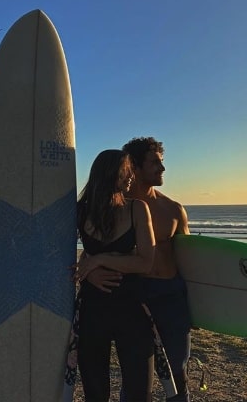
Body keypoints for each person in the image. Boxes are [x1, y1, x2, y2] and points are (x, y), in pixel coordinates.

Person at [88, 137, 192, 402]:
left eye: (161, 162)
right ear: (133, 166)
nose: (162, 169)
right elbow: (92, 248)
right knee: (134, 374)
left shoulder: (173, 209)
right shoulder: (114, 207)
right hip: (131, 294)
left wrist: (199, 307)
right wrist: (88, 270)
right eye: (155, 162)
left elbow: (190, 261)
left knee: (177, 368)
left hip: (169, 295)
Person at [73, 149, 157, 402]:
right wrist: (87, 274)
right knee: (95, 391)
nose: (131, 175)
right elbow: (51, 250)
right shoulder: (79, 211)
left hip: (131, 307)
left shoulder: (137, 209)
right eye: (125, 170)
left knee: (139, 392)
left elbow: (146, 263)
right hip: (93, 309)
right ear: (108, 173)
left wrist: (98, 259)